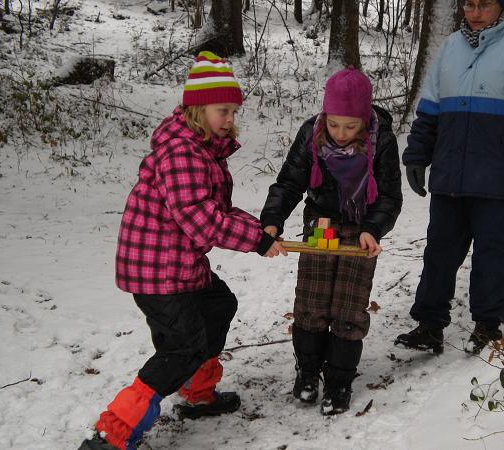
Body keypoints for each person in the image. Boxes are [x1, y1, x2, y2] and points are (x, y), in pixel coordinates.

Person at [79, 51, 286, 450]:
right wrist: (257, 241)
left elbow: (215, 210)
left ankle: (196, 391)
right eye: (223, 110)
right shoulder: (182, 153)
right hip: (157, 269)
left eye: (233, 111)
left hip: (178, 262)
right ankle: (112, 435)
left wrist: (259, 229)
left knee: (218, 305)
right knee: (182, 347)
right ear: (197, 109)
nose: (230, 119)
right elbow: (200, 219)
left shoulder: (202, 147)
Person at [395, 0, 504, 355]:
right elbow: (430, 110)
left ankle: (488, 323)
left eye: (484, 4)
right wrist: (417, 155)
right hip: (451, 173)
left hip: (497, 177)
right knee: (439, 250)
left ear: (501, 7)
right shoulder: (451, 47)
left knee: (491, 252)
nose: (475, 11)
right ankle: (429, 325)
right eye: (469, 4)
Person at [260, 67, 403, 415]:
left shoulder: (381, 138)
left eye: (350, 126)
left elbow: (389, 196)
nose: (340, 133)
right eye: (335, 124)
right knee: (313, 298)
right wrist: (271, 222)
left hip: (361, 225)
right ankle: (308, 372)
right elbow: (290, 182)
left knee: (348, 306)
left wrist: (374, 228)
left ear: (364, 118)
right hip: (322, 220)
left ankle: (339, 379)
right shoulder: (312, 132)